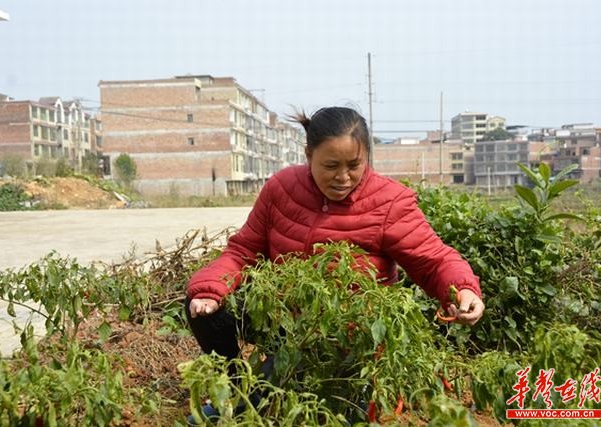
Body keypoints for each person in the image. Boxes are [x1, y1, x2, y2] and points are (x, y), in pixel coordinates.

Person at [185, 105, 485, 363]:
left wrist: (462, 289)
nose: (343, 178)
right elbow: (243, 251)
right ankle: (233, 386)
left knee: (287, 394)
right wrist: (210, 290)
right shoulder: (282, 188)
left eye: (354, 165)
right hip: (285, 322)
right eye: (330, 166)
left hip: (348, 335)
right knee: (202, 309)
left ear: (367, 156)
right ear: (308, 154)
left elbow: (433, 260)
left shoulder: (389, 201)